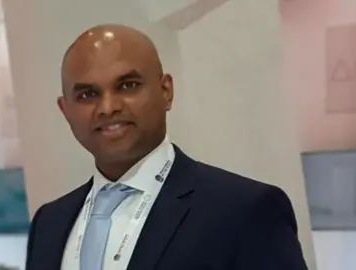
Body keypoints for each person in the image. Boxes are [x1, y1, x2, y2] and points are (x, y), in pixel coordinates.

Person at [25, 24, 308, 270]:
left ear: (166, 91)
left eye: (127, 85)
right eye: (88, 94)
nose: (108, 107)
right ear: (65, 110)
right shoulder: (49, 223)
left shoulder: (244, 211)